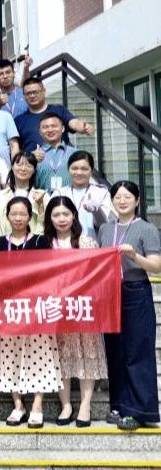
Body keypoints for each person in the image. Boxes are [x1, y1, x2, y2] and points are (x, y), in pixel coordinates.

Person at [0, 196, 59, 429]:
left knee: (40, 355)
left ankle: (37, 406)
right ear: (7, 216)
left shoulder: (40, 241)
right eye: (13, 213)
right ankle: (18, 405)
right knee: (10, 356)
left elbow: (47, 272)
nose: (18, 218)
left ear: (29, 216)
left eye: (23, 213)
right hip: (8, 309)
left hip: (35, 307)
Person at [99, 181, 161, 430]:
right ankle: (119, 406)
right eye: (117, 197)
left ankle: (140, 411)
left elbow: (156, 266)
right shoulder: (105, 228)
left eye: (127, 197)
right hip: (109, 293)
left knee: (138, 351)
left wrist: (134, 256)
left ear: (137, 200)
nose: (122, 201)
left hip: (136, 291)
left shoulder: (146, 228)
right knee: (115, 351)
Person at [43, 195, 107, 427]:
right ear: (49, 218)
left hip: (82, 309)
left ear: (74, 216)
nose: (61, 219)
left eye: (66, 214)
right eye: (56, 215)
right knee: (60, 356)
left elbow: (98, 275)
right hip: (55, 310)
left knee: (87, 354)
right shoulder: (44, 245)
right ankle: (66, 404)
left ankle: (85, 405)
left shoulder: (87, 242)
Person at [14, 77, 94, 152]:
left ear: (44, 91)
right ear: (24, 96)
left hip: (61, 159)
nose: (32, 96)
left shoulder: (59, 110)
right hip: (33, 161)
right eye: (28, 93)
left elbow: (73, 122)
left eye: (35, 92)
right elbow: (16, 148)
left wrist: (82, 127)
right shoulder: (19, 121)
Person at [51, 151, 115, 240]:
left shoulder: (101, 193)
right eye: (74, 168)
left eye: (84, 169)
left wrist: (97, 211)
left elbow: (105, 225)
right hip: (64, 244)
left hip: (93, 244)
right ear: (68, 170)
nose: (79, 172)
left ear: (91, 171)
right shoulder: (59, 193)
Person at [0, 152, 47, 236]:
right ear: (12, 167)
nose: (23, 169)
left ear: (34, 170)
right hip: (4, 242)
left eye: (28, 166)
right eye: (19, 165)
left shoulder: (43, 196)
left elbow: (46, 225)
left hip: (33, 243)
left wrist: (40, 205)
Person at [33, 113, 78, 191]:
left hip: (70, 198)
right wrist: (31, 159)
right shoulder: (33, 156)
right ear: (40, 131)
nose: (50, 130)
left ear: (63, 128)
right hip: (42, 198)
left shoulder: (76, 154)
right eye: (45, 127)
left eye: (54, 126)